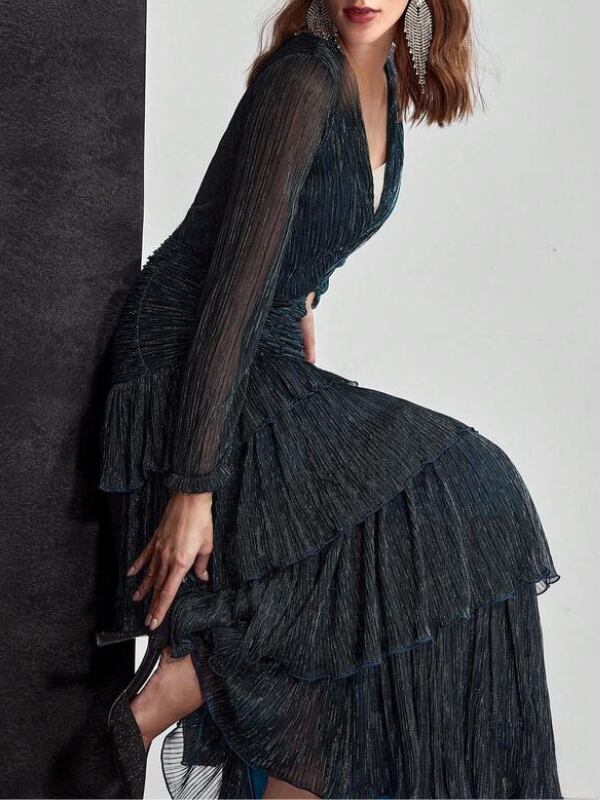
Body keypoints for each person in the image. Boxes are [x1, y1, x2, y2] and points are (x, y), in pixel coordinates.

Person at [96, 1, 563, 798]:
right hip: (186, 359)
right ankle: (189, 671)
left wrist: (306, 295)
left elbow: (302, 226)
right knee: (470, 486)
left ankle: (201, 674)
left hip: (260, 340)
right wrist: (191, 485)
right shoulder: (304, 78)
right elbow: (228, 288)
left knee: (333, 695)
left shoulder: (383, 82)